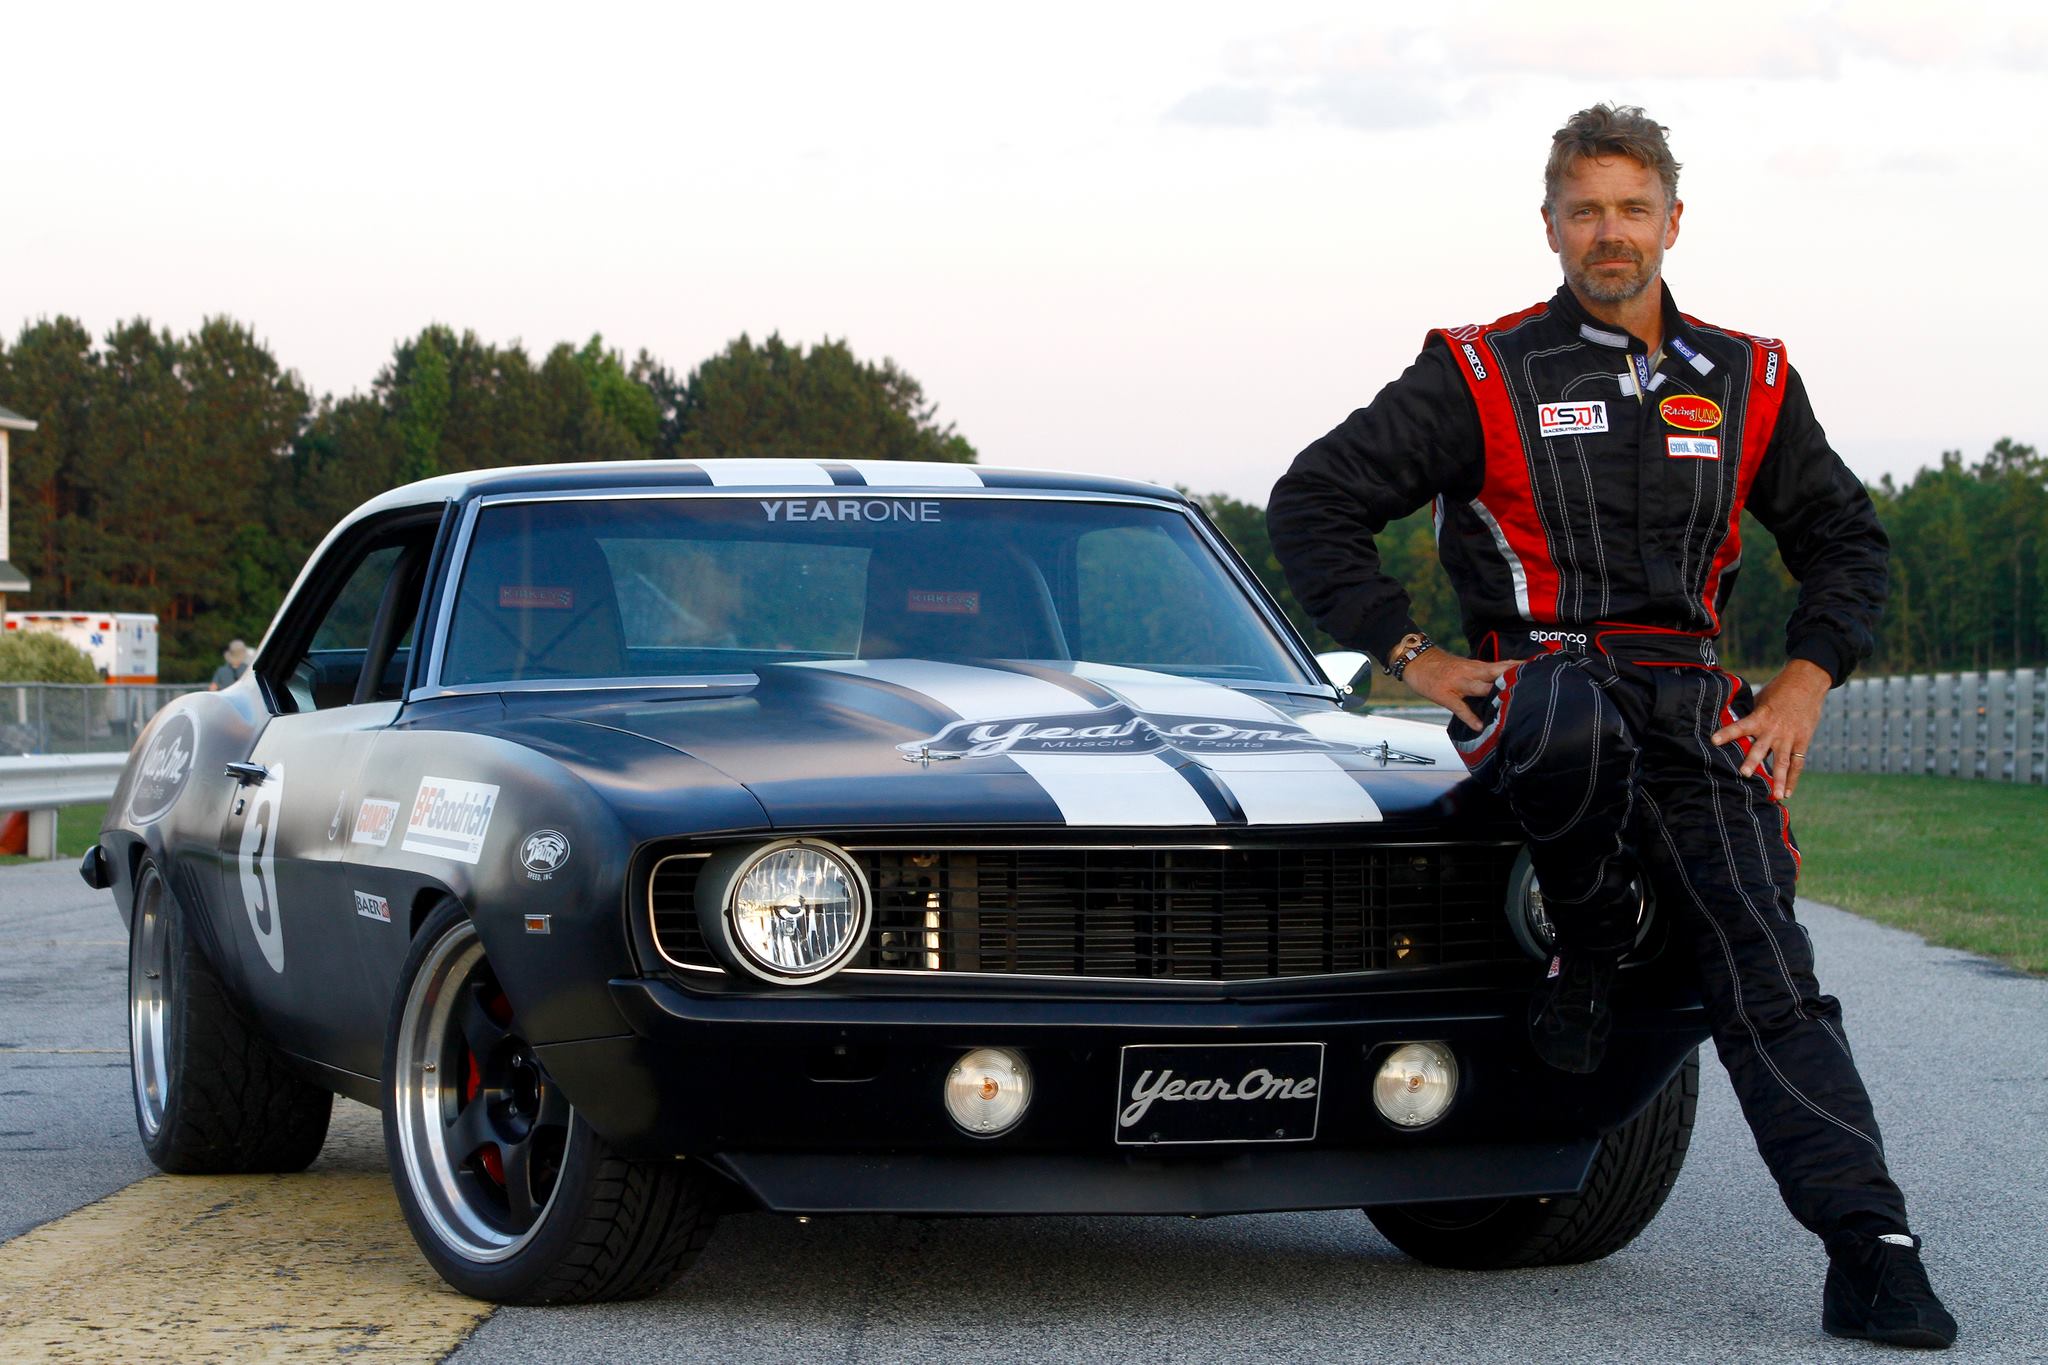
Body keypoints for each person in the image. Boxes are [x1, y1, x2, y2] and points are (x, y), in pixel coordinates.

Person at [1267, 104, 1956, 1349]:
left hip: (1691, 704)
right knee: (1567, 708)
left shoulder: (1748, 377)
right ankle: (1588, 938)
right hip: (1537, 693)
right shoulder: (1480, 370)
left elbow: (1845, 541)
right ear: (1547, 226)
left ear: (1672, 222)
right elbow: (1312, 499)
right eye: (1583, 210)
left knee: (1766, 971)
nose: (1608, 233)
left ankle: (1872, 1247)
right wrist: (1414, 654)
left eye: (1631, 208)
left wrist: (1805, 680)